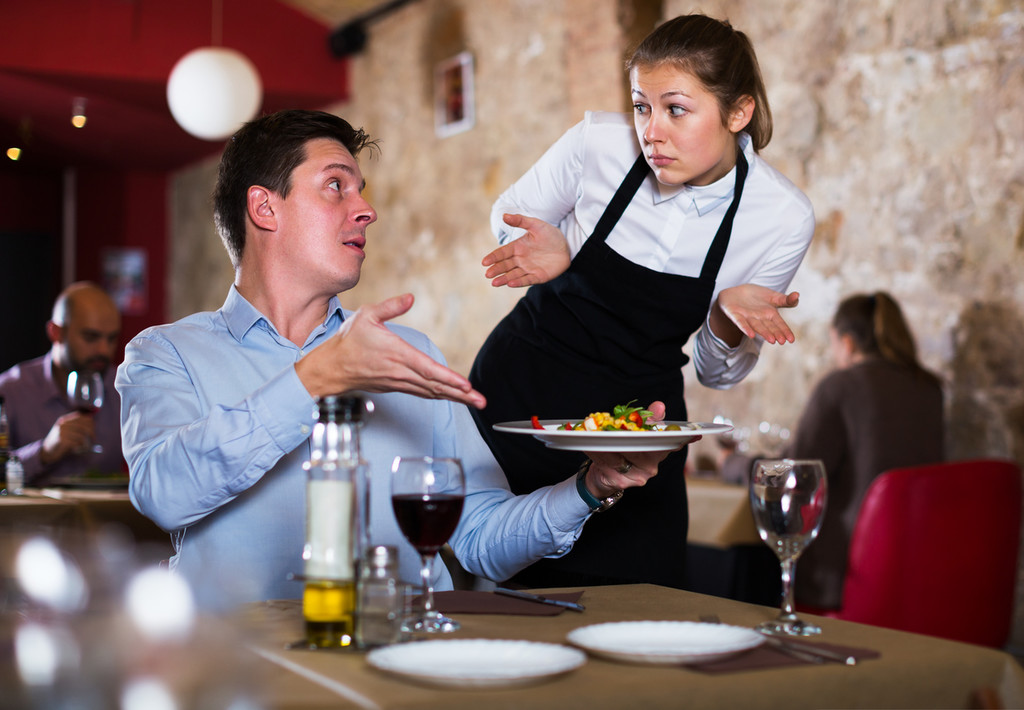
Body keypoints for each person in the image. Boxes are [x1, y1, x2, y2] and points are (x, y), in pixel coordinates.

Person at [116, 109, 672, 610]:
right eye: (336, 186)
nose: (367, 210)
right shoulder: (165, 353)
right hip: (240, 668)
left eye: (361, 191)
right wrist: (316, 377)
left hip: (397, 659)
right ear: (265, 208)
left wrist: (590, 486)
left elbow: (482, 540)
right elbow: (164, 495)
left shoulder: (412, 355)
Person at [468, 14, 815, 589]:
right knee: (500, 599)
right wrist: (551, 246)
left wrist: (726, 318)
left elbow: (716, 372)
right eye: (641, 106)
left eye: (675, 109)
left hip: (639, 435)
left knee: (645, 598)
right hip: (521, 403)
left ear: (738, 113)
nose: (651, 131)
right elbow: (508, 216)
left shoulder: (780, 217)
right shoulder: (597, 144)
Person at [785, 292, 944, 610]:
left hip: (846, 572)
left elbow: (797, 475)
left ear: (846, 343)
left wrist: (735, 464)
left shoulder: (840, 386)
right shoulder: (929, 388)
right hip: (917, 562)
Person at [0, 282, 123, 484]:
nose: (103, 350)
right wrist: (44, 452)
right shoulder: (11, 390)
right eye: (90, 337)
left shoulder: (123, 387)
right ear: (55, 332)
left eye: (111, 339)